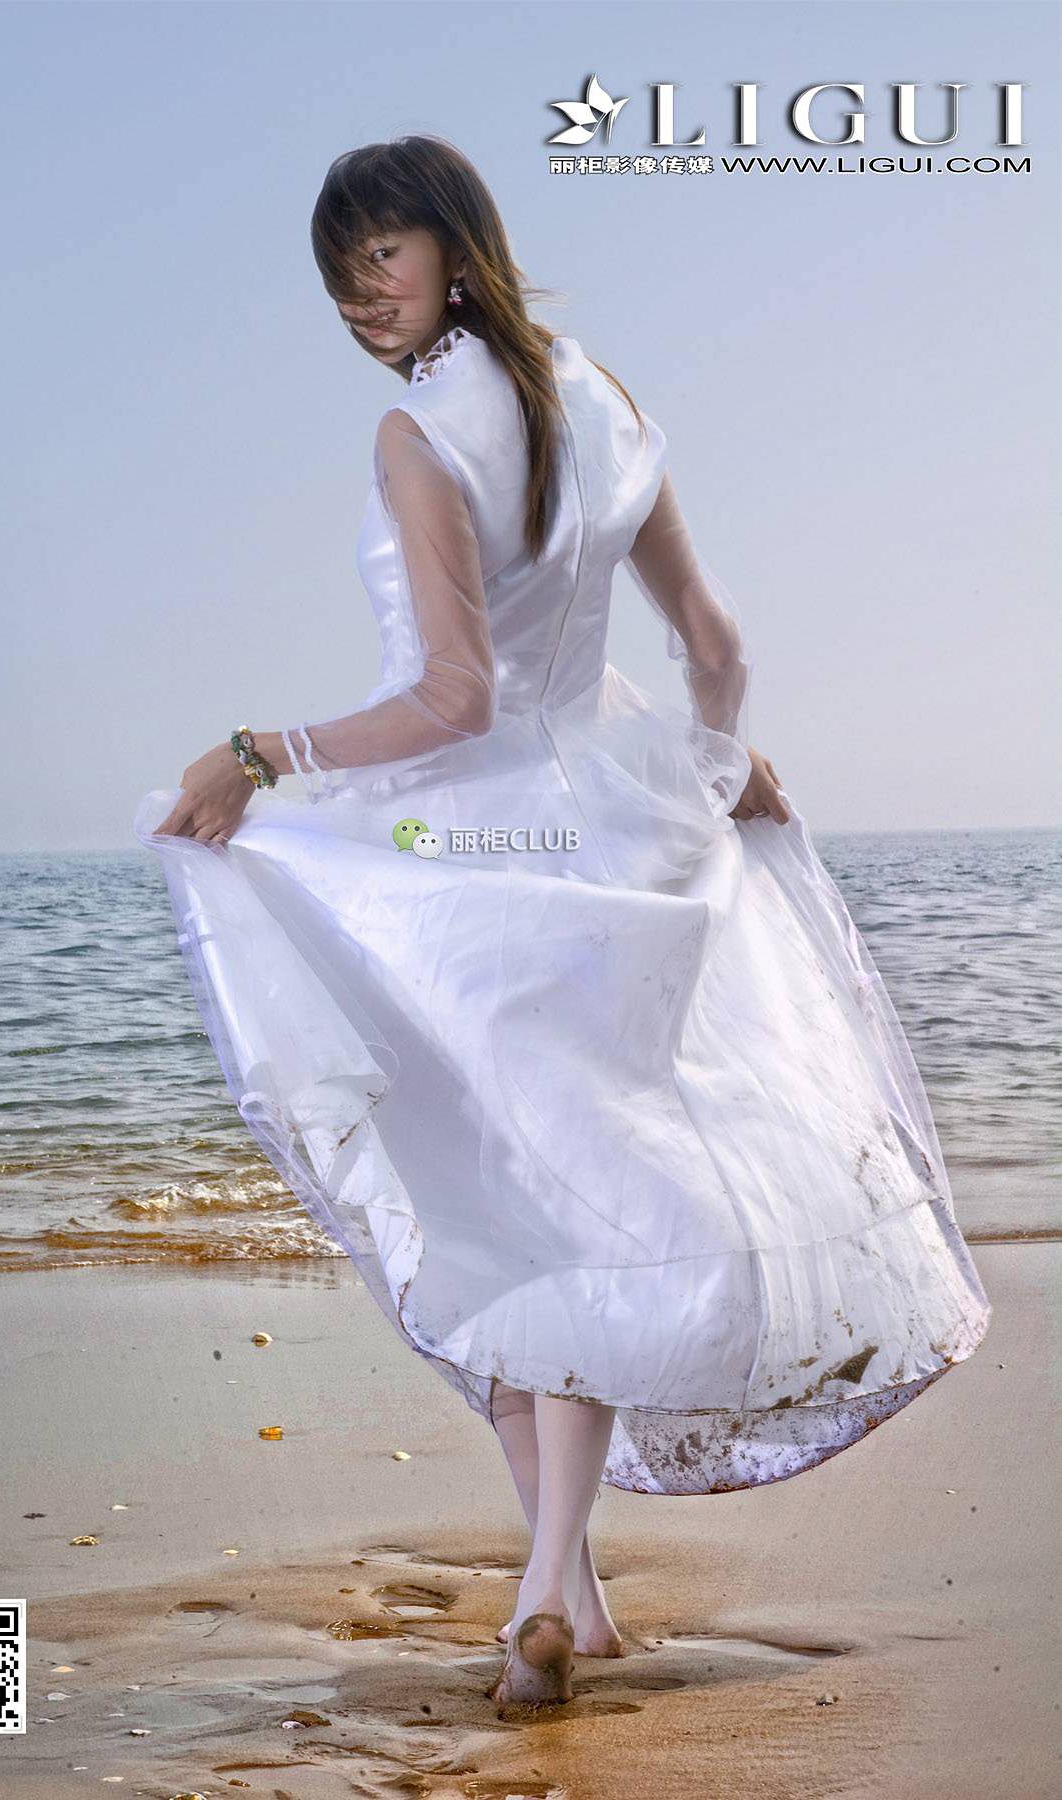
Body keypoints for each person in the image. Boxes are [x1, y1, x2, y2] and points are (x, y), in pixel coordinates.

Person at [133, 135, 991, 1711]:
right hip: (610, 835)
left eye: (379, 257)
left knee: (504, 1215)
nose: (356, 297)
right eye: (337, 275)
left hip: (464, 859)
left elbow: (451, 702)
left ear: (454, 247)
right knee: (559, 1213)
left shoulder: (417, 435)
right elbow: (713, 644)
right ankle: (571, 1595)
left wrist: (259, 755)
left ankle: (542, 1583)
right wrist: (712, 767)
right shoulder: (607, 401)